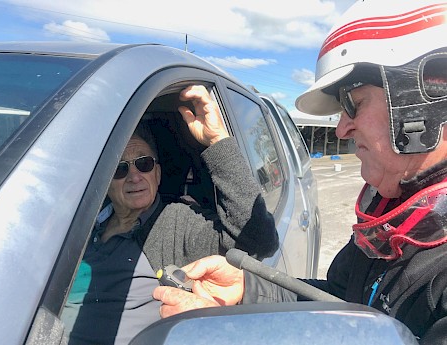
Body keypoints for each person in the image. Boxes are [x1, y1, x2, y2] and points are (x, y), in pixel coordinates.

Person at [153, 1, 447, 343]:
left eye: (353, 102)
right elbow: (340, 302)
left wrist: (228, 335)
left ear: (421, 101)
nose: (341, 130)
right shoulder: (389, 220)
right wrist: (247, 288)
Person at [62, 85, 279, 345]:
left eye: (144, 163)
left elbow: (257, 241)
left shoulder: (175, 222)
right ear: (105, 182)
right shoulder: (83, 222)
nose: (134, 176)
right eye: (120, 169)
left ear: (158, 173)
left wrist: (217, 141)